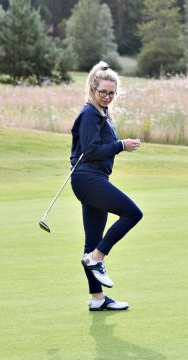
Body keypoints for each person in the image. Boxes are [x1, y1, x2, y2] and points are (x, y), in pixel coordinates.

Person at [70, 61, 143, 311]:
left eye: (112, 93)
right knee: (133, 213)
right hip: (89, 179)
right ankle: (97, 258)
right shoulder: (90, 113)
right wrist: (121, 145)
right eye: (103, 92)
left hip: (92, 179)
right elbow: (90, 151)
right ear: (93, 89)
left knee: (92, 240)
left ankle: (97, 299)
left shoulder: (102, 113)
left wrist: (118, 145)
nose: (107, 97)